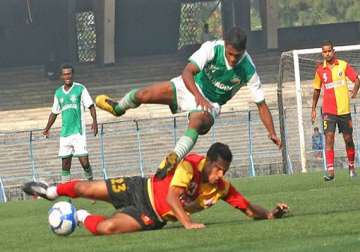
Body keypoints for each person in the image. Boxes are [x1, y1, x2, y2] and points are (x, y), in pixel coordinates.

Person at [95, 27, 282, 178]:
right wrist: (197, 96)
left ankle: (173, 158)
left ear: (243, 51)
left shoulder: (248, 69)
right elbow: (187, 72)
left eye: (237, 55)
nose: (233, 59)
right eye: (230, 54)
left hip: (211, 103)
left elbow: (261, 105)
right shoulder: (212, 48)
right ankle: (118, 108)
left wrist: (272, 132)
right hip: (189, 86)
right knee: (144, 94)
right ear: (225, 45)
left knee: (197, 121)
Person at [22, 142, 289, 235]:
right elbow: (173, 196)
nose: (220, 175)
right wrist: (186, 222)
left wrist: (268, 214)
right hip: (139, 187)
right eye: (218, 169)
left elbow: (246, 206)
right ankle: (50, 192)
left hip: (151, 215)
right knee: (84, 187)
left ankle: (78, 217)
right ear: (208, 162)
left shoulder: (221, 187)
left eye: (225, 172)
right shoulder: (190, 165)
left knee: (107, 229)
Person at [311, 40, 360, 181]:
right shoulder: (320, 70)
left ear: (333, 51)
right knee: (329, 138)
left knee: (348, 139)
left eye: (328, 51)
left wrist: (355, 92)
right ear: (322, 53)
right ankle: (331, 171)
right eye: (324, 51)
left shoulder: (343, 65)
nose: (326, 54)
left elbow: (356, 79)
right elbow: (316, 90)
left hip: (344, 111)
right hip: (328, 111)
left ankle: (351, 167)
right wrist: (313, 109)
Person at [43, 63, 98, 182]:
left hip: (78, 131)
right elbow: (54, 112)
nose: (67, 76)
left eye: (69, 74)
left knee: (84, 162)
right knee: (65, 164)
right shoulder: (58, 93)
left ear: (72, 75)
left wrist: (95, 121)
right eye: (64, 74)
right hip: (65, 133)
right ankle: (65, 192)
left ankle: (91, 182)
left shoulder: (80, 89)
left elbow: (91, 105)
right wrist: (47, 128)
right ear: (61, 76)